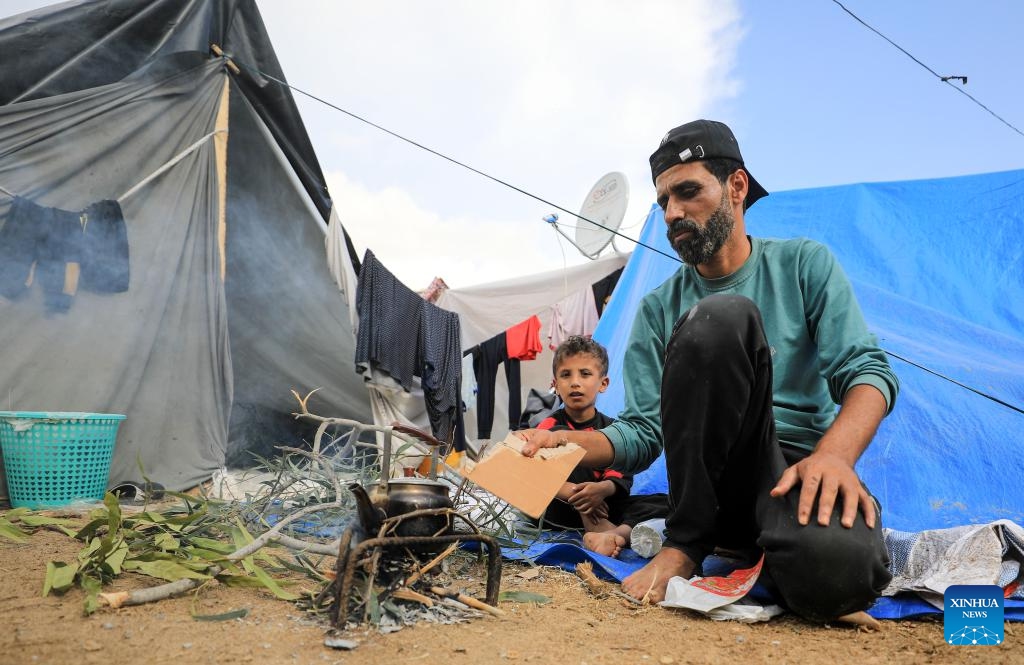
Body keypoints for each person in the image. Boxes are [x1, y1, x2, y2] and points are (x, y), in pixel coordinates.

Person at [517, 119, 898, 622]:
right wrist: (564, 445)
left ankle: (763, 547)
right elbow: (644, 431)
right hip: (708, 487)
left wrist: (834, 457)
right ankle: (687, 544)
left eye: (688, 192)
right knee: (716, 318)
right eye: (664, 203)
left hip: (790, 475)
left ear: (736, 187)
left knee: (841, 573)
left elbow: (867, 371)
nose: (673, 213)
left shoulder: (804, 265)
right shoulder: (658, 309)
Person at [532, 336, 668, 559]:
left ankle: (615, 534)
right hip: (563, 510)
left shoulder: (613, 429)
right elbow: (536, 473)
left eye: (585, 374)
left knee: (663, 503)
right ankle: (600, 526)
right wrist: (578, 497)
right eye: (566, 375)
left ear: (603, 383)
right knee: (560, 450)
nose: (575, 382)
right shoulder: (548, 429)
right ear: (555, 385)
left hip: (603, 506)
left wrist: (603, 489)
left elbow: (621, 472)